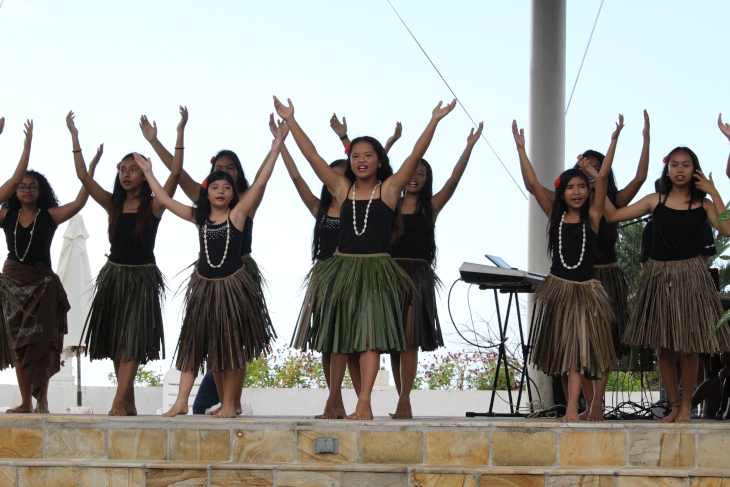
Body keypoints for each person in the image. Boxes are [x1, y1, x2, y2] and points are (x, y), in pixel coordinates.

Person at [274, 95, 456, 420]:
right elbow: (312, 156)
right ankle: (344, 400)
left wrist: (434, 121)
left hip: (377, 269)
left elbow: (416, 154)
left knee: (371, 339)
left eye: (368, 155)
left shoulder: (388, 190)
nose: (361, 159)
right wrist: (291, 119)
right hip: (343, 268)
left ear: (378, 160)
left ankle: (365, 402)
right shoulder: (342, 188)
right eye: (355, 155)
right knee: (345, 338)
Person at [135, 125, 281, 418]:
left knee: (227, 346)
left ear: (233, 193)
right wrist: (149, 173)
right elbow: (164, 199)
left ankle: (229, 404)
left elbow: (261, 183)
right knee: (192, 345)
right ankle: (179, 403)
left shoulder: (238, 215)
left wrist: (276, 145)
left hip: (232, 287)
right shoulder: (198, 218)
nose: (221, 191)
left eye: (227, 187)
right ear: (206, 191)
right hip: (204, 287)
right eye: (215, 187)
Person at [523, 111, 651, 420]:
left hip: (593, 286)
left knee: (589, 351)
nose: (579, 189)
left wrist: (616, 140)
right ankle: (575, 408)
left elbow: (607, 178)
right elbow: (532, 184)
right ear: (563, 190)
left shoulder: (600, 211)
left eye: (584, 183)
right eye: (572, 185)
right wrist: (520, 147)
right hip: (563, 287)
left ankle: (589, 408)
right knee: (566, 351)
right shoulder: (557, 214)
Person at [604, 138, 730, 423]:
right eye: (675, 165)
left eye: (686, 165)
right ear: (668, 169)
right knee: (663, 346)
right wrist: (599, 178)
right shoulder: (654, 201)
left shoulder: (704, 203)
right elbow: (612, 215)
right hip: (658, 277)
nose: (680, 170)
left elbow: (727, 228)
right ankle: (674, 405)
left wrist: (714, 191)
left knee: (689, 345)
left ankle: (687, 406)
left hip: (691, 276)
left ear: (694, 169)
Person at [74, 107, 187, 416]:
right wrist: (76, 139)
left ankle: (117, 403)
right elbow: (83, 177)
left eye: (132, 169)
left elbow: (175, 174)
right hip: (113, 276)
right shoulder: (112, 204)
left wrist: (172, 135)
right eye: (122, 169)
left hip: (141, 278)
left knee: (131, 340)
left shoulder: (154, 206)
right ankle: (129, 401)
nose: (125, 174)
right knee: (114, 340)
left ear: (144, 173)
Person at [388, 122, 483, 419]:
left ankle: (405, 399)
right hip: (389, 277)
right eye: (412, 171)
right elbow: (378, 175)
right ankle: (399, 397)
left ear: (427, 179)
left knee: (409, 338)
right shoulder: (389, 202)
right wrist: (390, 144)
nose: (415, 177)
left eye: (422, 173)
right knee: (392, 341)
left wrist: (468, 147)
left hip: (417, 277)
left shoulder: (431, 206)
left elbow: (454, 180)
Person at [1, 120, 97, 414]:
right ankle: (25, 401)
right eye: (22, 186)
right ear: (15, 191)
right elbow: (15, 176)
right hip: (13, 283)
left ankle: (42, 401)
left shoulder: (49, 215)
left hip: (42, 286)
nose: (27, 188)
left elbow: (81, 200)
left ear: (40, 191)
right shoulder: (5, 216)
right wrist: (25, 147)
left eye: (33, 186)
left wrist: (89, 166)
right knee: (18, 345)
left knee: (39, 343)